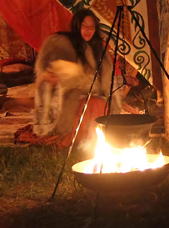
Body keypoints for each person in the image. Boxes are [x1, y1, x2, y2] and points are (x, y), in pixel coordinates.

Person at [32, 9, 126, 155]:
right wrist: (57, 75)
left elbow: (107, 79)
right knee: (88, 105)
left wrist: (114, 105)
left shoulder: (99, 49)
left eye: (92, 27)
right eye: (84, 26)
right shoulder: (64, 44)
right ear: (77, 26)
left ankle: (92, 140)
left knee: (96, 104)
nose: (89, 30)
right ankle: (76, 137)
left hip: (96, 97)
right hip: (71, 98)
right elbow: (54, 73)